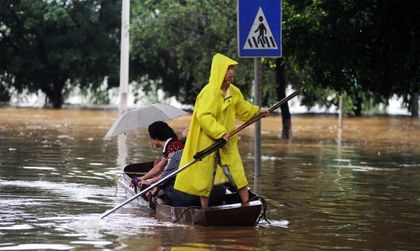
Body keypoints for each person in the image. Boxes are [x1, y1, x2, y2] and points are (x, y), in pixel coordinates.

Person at [174, 53, 267, 210]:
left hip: (228, 141)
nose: (231, 72)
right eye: (228, 68)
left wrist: (258, 111)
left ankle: (246, 206)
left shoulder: (234, 91)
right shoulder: (208, 92)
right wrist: (220, 132)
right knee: (205, 178)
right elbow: (205, 117)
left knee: (237, 173)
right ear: (219, 70)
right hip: (207, 141)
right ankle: (205, 211)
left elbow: (243, 108)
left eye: (232, 69)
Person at [135, 121, 225, 207]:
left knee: (168, 183)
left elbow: (167, 175)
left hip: (196, 195)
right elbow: (160, 167)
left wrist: (152, 184)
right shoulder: (204, 150)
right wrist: (144, 178)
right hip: (219, 191)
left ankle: (201, 210)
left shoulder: (176, 148)